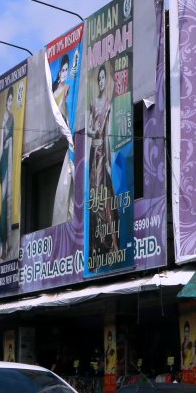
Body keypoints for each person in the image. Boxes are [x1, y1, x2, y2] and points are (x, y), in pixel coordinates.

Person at [88, 63, 119, 252]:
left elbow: (108, 132)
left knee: (107, 196)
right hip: (94, 155)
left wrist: (107, 160)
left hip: (103, 155)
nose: (100, 82)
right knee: (96, 198)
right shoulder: (94, 103)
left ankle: (112, 242)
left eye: (103, 78)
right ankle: (102, 242)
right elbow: (91, 128)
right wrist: (93, 133)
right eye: (98, 79)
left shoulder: (108, 103)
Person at [0, 89, 16, 259]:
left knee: (8, 202)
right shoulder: (3, 119)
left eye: (11, 100)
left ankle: (7, 243)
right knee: (4, 201)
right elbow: (1, 146)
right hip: (4, 162)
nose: (10, 103)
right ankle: (3, 244)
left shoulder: (14, 118)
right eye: (8, 100)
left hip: (11, 159)